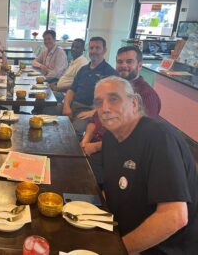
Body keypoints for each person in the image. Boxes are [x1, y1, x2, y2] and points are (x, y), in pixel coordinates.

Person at [94, 76, 197, 254]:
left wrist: (115, 250)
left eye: (113, 99)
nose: (104, 108)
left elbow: (174, 217)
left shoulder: (159, 137)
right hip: (121, 232)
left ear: (134, 103)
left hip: (162, 248)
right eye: (98, 102)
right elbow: (111, 191)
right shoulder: (110, 137)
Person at [81, 46, 161, 183]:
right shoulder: (112, 87)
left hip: (118, 152)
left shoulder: (146, 95)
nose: (123, 65)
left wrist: (94, 147)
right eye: (120, 62)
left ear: (139, 65)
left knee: (80, 176)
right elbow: (94, 120)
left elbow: (140, 137)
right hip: (94, 144)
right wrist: (85, 141)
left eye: (129, 61)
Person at [62, 36, 115, 138]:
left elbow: (112, 102)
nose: (93, 51)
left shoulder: (110, 73)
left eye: (97, 48)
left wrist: (93, 112)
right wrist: (66, 106)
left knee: (74, 132)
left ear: (105, 50)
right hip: (72, 106)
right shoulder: (83, 69)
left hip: (88, 110)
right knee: (47, 112)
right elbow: (71, 90)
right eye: (91, 48)